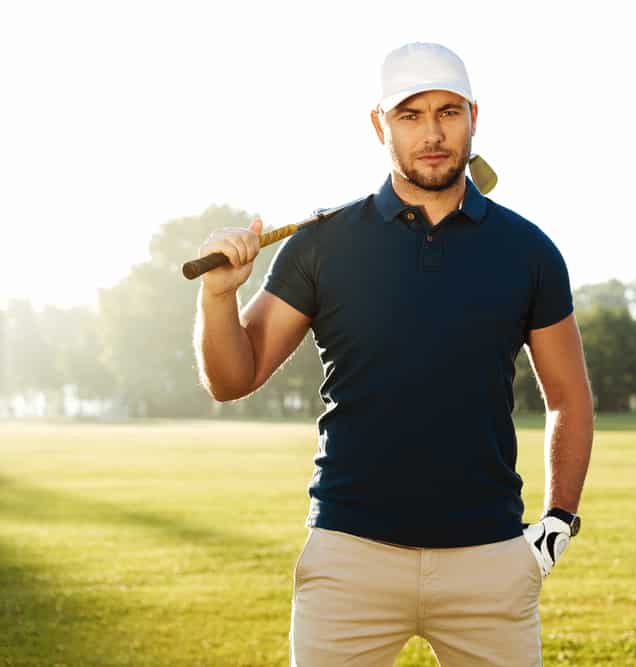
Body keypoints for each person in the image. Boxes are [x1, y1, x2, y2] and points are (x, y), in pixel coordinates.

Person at [193, 42, 593, 667]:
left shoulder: (528, 250)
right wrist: (219, 299)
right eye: (410, 116)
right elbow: (232, 377)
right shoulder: (320, 246)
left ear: (473, 118)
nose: (432, 133)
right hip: (349, 559)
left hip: (488, 559)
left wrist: (559, 520)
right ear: (379, 125)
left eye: (448, 112)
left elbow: (568, 394)